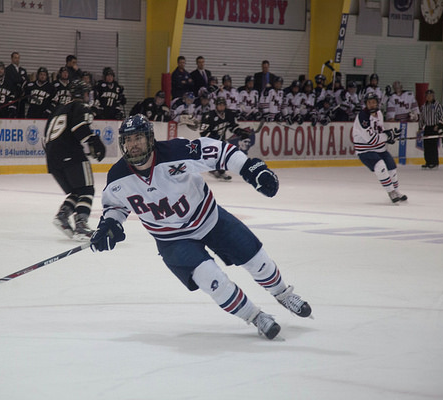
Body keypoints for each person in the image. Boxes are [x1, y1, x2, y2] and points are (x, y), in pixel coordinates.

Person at [89, 114, 312, 340]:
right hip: (172, 240)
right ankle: (256, 317)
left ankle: (283, 294)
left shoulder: (175, 152)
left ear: (150, 139)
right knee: (212, 280)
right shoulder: (117, 176)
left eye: (138, 138)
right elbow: (115, 206)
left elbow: (218, 151)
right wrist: (109, 225)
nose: (133, 144)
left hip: (210, 219)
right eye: (128, 139)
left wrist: (249, 167)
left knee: (257, 259)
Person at [45, 80, 106, 240]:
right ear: (84, 94)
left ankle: (63, 216)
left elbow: (46, 137)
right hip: (70, 153)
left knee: (77, 191)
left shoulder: (58, 110)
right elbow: (79, 127)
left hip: (52, 158)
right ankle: (81, 225)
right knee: (87, 189)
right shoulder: (81, 107)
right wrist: (94, 141)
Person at [352, 93, 407, 203]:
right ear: (366, 104)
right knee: (380, 166)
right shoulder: (363, 117)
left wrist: (389, 136)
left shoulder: (379, 113)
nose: (372, 105)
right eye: (369, 103)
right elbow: (371, 140)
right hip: (365, 150)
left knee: (391, 167)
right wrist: (387, 136)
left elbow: (379, 131)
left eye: (374, 102)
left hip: (379, 148)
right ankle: (391, 192)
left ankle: (396, 191)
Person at [200, 96, 253, 180]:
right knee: (217, 154)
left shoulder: (228, 114)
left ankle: (220, 172)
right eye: (219, 105)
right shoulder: (209, 116)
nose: (221, 107)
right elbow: (203, 132)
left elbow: (232, 127)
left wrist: (241, 132)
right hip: (209, 142)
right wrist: (213, 137)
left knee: (225, 153)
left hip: (220, 141)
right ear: (216, 105)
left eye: (223, 105)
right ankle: (214, 170)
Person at [418, 89, 443, 170]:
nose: (429, 97)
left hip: (434, 127)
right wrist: (420, 127)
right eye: (427, 96)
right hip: (427, 127)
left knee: (433, 145)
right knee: (426, 145)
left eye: (430, 95)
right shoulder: (423, 106)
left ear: (433, 96)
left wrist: (438, 125)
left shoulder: (438, 105)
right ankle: (428, 162)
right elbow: (421, 118)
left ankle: (434, 162)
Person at [5, 52, 28, 117]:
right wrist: (20, 79)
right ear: (12, 59)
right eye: (15, 58)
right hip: (12, 95)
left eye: (18, 58)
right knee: (12, 113)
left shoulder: (22, 70)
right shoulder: (8, 69)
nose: (17, 60)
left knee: (21, 114)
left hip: (21, 95)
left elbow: (26, 81)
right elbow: (12, 81)